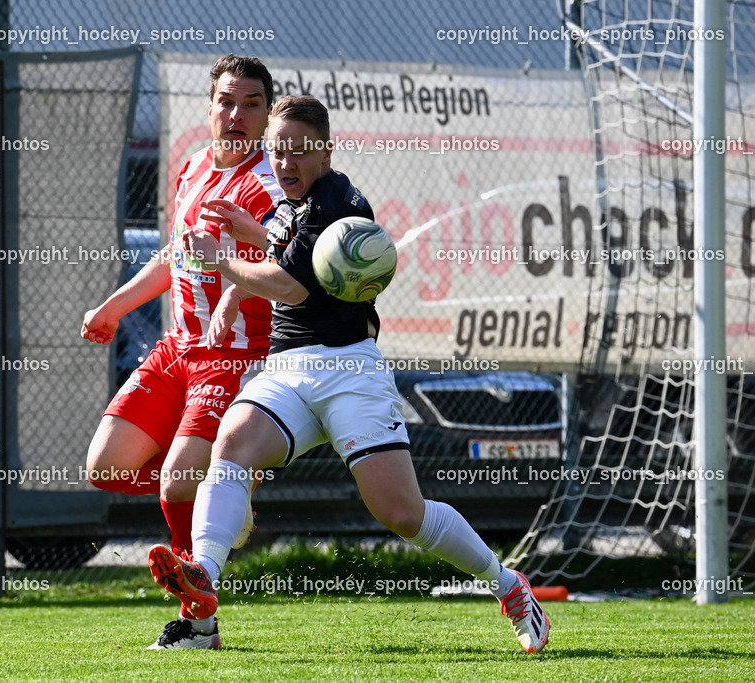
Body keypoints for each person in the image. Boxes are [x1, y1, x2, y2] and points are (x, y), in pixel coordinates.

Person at [147, 95, 551, 654]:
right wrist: (238, 279)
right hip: (288, 367)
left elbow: (290, 284)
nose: (285, 162)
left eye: (298, 151)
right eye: (277, 150)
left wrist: (221, 261)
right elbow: (282, 254)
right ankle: (204, 595)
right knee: (232, 444)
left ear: (326, 150)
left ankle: (508, 585)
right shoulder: (291, 202)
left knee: (402, 514)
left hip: (348, 371)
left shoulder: (335, 203)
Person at [80, 54, 283, 650]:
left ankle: (199, 624)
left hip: (234, 352)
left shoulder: (266, 184)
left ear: (268, 115)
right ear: (210, 107)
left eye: (251, 104)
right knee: (107, 468)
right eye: (227, 101)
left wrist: (232, 292)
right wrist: (114, 306)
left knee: (176, 486)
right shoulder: (192, 167)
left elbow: (276, 259)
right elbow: (176, 256)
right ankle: (228, 491)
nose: (237, 114)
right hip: (177, 348)